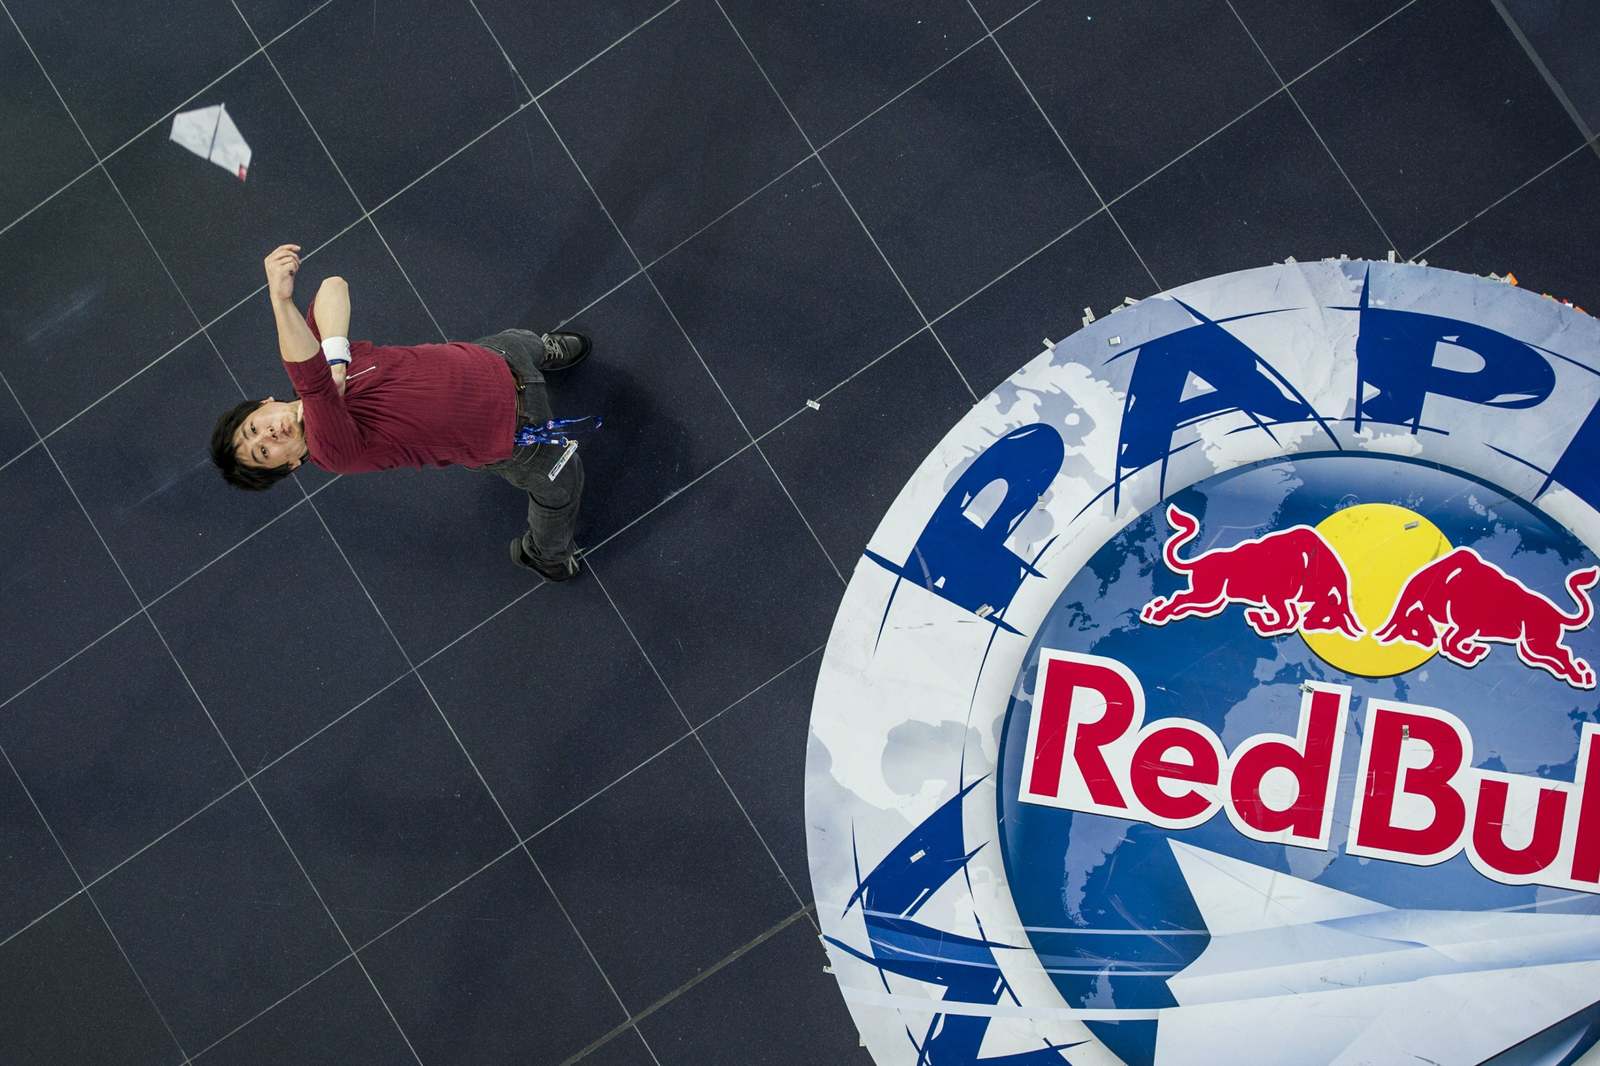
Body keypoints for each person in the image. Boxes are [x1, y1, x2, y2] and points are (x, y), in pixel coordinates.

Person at [209, 243, 591, 582]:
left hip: (493, 357)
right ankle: (545, 557)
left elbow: (333, 288)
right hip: (520, 435)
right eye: (263, 452)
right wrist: (280, 300)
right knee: (562, 486)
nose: (267, 436)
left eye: (252, 429)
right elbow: (313, 384)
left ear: (263, 404)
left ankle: (541, 353)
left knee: (524, 341)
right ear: (290, 465)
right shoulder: (331, 450)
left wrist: (337, 359)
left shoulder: (322, 366)